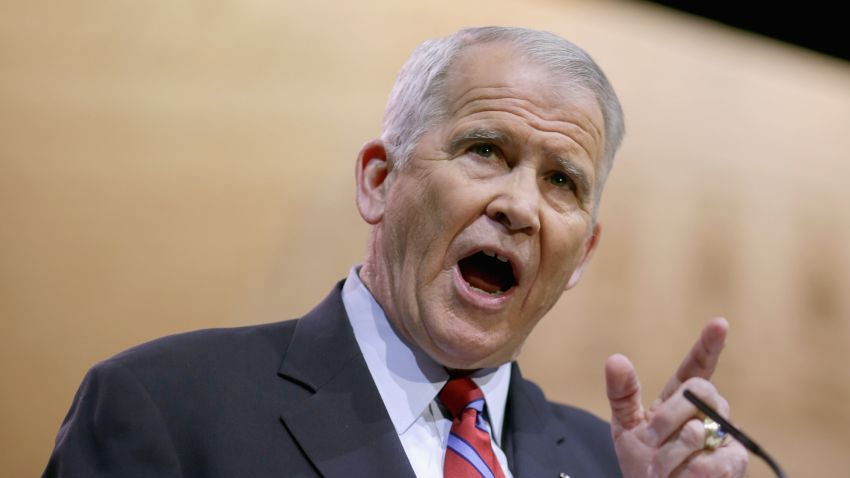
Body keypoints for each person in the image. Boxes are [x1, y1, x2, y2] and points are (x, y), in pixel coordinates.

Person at [44, 26, 749, 477]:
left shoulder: (614, 467)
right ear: (380, 181)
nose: (520, 207)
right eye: (485, 151)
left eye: (561, 180)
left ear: (583, 255)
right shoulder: (166, 406)